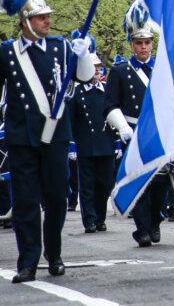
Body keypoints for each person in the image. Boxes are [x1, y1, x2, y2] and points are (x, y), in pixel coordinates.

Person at [0, 0, 95, 283]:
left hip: (55, 135)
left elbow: (84, 78)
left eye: (48, 16)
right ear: (26, 21)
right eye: (41, 17)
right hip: (22, 136)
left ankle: (54, 251)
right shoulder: (9, 52)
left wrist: (82, 57)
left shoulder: (62, 47)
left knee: (56, 198)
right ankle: (27, 260)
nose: (48, 21)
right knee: (25, 202)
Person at [105, 0, 165, 248]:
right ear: (131, 44)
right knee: (138, 180)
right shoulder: (120, 71)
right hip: (132, 131)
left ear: (152, 44)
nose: (143, 47)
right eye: (139, 43)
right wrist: (122, 126)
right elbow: (109, 105)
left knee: (160, 181)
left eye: (147, 42)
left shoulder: (162, 69)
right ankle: (142, 228)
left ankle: (155, 221)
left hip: (157, 133)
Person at [67, 32, 115, 234]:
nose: (96, 70)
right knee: (87, 185)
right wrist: (71, 145)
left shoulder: (107, 90)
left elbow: (113, 116)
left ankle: (101, 217)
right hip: (85, 145)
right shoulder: (76, 93)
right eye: (92, 67)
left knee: (104, 184)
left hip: (106, 144)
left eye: (98, 67)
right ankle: (90, 220)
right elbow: (69, 121)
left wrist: (118, 143)